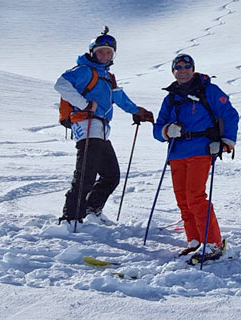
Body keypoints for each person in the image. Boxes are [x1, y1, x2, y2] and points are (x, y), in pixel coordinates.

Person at [55, 27, 154, 225]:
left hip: (100, 129)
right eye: (101, 51)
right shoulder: (84, 70)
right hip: (87, 125)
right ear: (93, 52)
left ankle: (91, 210)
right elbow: (61, 84)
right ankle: (71, 218)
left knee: (111, 175)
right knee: (86, 174)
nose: (105, 55)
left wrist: (137, 111)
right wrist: (84, 104)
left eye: (109, 52)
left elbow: (118, 97)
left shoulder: (108, 77)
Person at [153, 54, 239, 261]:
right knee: (182, 199)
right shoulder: (171, 97)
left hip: (202, 149)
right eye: (178, 67)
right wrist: (166, 131)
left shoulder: (209, 90)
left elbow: (230, 114)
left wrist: (227, 141)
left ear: (193, 69)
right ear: (173, 71)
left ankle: (213, 243)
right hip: (176, 153)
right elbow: (157, 129)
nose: (182, 70)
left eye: (187, 66)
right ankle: (195, 241)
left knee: (195, 197)